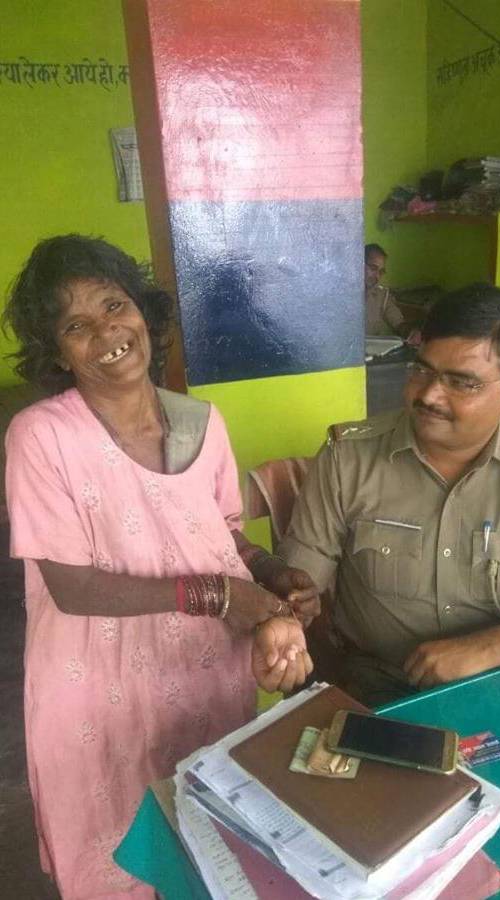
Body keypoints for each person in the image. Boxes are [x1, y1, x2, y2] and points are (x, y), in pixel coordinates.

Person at [3, 234, 318, 899]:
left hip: (203, 673)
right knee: (120, 851)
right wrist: (222, 596)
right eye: (75, 326)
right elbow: (71, 586)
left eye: (114, 305)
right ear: (56, 352)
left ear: (142, 310)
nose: (106, 333)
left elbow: (221, 533)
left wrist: (269, 573)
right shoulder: (41, 436)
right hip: (97, 683)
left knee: (211, 848)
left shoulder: (202, 421)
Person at [280, 283, 500, 707]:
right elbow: (297, 584)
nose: (429, 395)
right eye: (422, 370)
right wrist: (286, 613)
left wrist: (485, 649)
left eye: (461, 382)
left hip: (495, 678)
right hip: (374, 684)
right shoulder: (348, 458)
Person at [364, 243, 404, 336]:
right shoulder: (339, 293)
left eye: (381, 272)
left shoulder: (382, 295)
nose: (377, 277)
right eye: (373, 268)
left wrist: (411, 332)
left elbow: (399, 323)